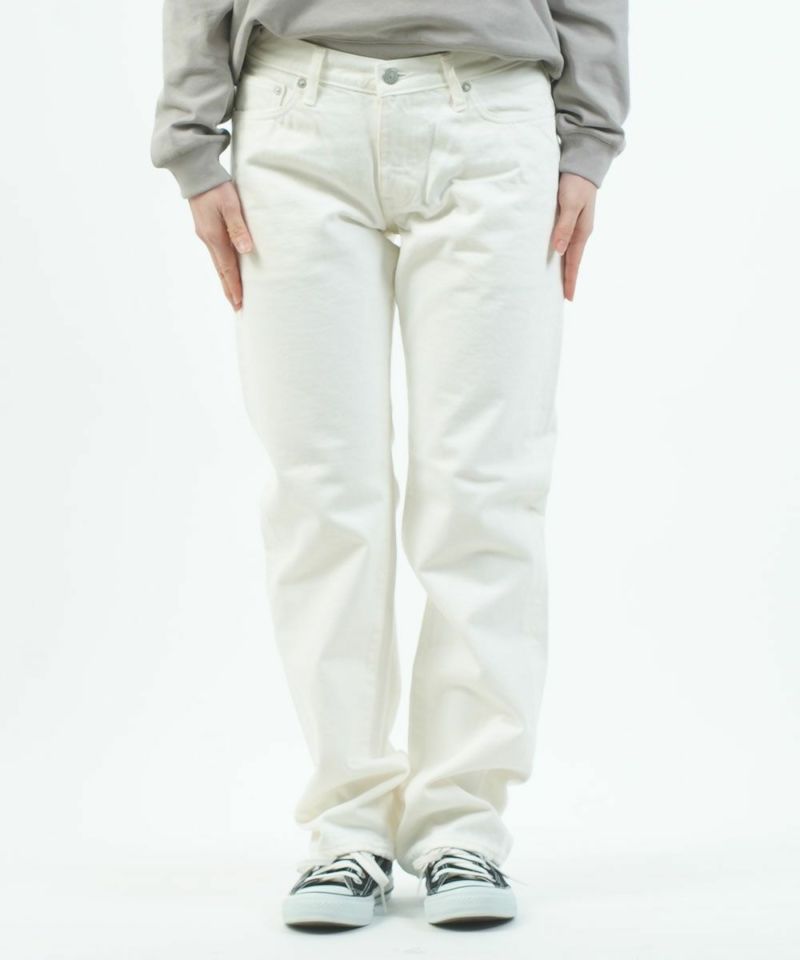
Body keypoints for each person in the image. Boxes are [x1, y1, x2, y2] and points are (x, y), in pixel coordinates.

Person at [151, 0, 629, 931]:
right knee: (321, 494)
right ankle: (347, 827)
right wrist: (190, 142)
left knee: (485, 486)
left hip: (494, 113)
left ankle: (463, 824)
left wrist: (588, 141)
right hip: (294, 110)